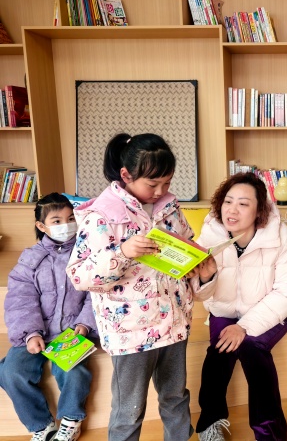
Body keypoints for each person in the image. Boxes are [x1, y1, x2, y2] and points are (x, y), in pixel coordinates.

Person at [66, 133, 201, 441]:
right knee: (129, 410)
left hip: (173, 324)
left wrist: (200, 267)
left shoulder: (170, 207)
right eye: (152, 184)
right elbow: (79, 276)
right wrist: (123, 253)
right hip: (130, 332)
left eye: (167, 182)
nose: (161, 191)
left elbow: (186, 251)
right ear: (126, 175)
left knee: (175, 398)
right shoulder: (102, 216)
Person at [194, 172, 287, 441]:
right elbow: (200, 294)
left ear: (259, 210)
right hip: (225, 310)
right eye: (228, 201)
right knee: (218, 352)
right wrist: (207, 278)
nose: (232, 210)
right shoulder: (209, 236)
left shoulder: (281, 237)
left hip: (270, 311)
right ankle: (210, 422)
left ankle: (270, 433)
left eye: (243, 204)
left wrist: (244, 327)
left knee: (251, 348)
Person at [0, 192, 97, 441]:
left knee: (74, 371)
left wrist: (84, 324)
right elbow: (20, 299)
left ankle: (71, 420)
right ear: (41, 226)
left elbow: (96, 293)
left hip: (72, 331)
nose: (66, 225)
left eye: (70, 218)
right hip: (35, 332)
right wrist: (30, 333)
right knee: (11, 371)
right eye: (57, 221)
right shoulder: (31, 259)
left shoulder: (87, 255)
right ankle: (41, 425)